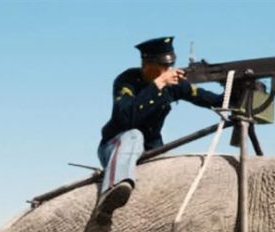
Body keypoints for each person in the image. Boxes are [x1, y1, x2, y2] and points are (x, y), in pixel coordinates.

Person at [96, 36, 225, 220]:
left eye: (170, 66)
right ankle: (112, 192)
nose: (167, 71)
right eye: (162, 67)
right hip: (115, 147)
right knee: (134, 135)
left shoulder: (172, 84)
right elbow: (126, 117)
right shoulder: (127, 81)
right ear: (146, 64)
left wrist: (239, 87)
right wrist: (158, 84)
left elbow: (209, 99)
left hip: (151, 151)